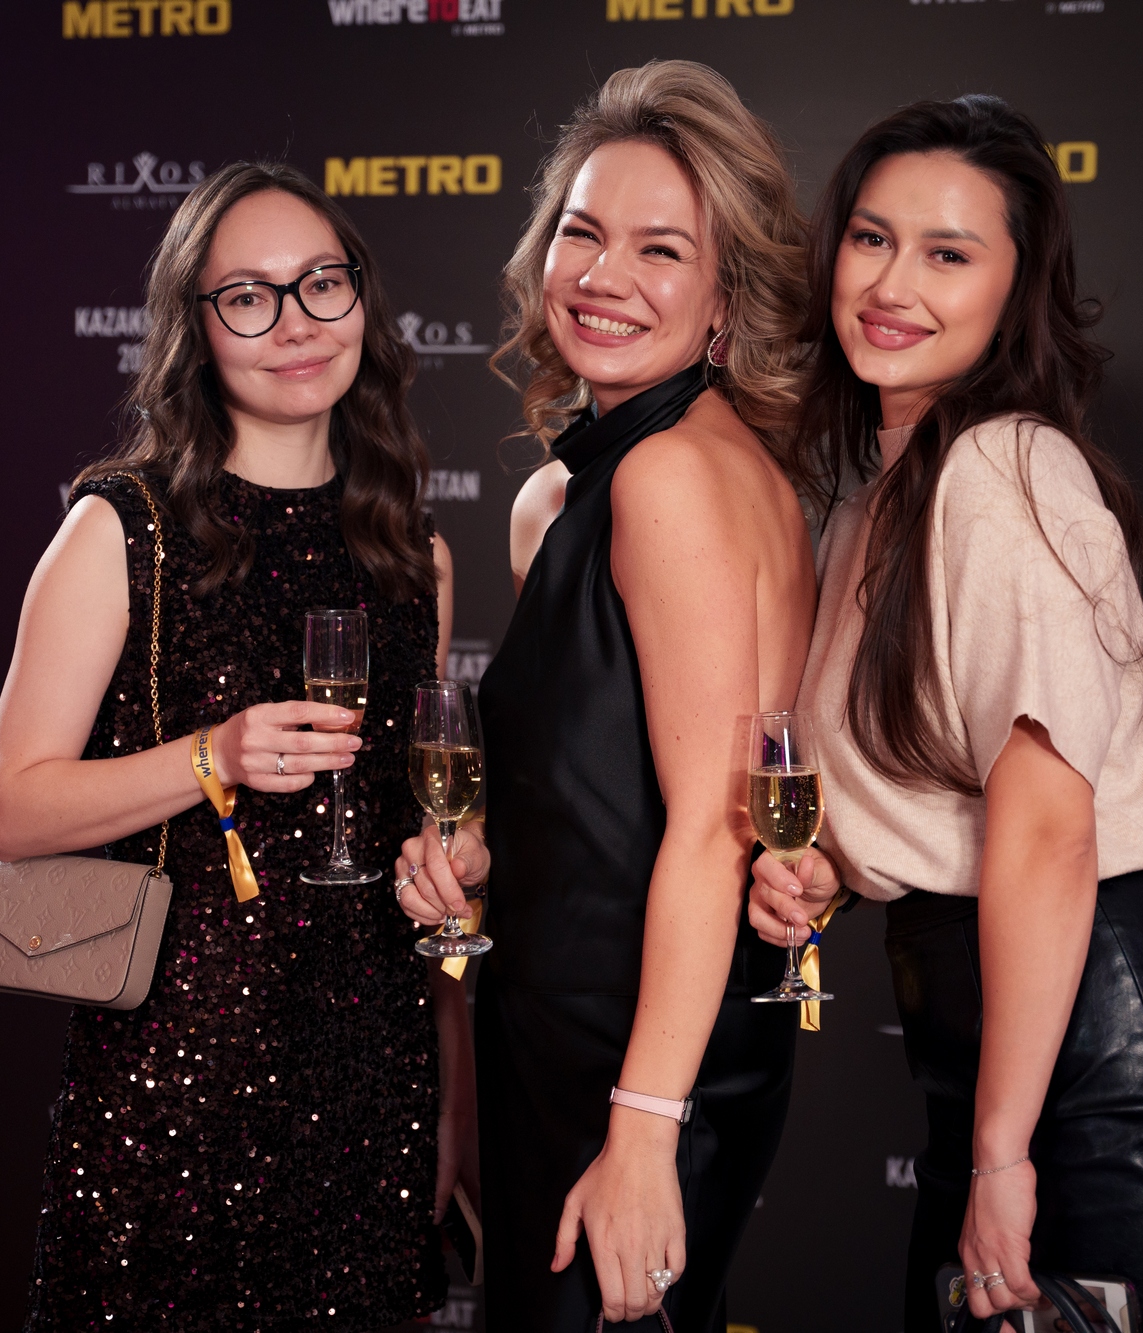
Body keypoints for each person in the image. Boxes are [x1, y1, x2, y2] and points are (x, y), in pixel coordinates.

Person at [747, 98, 1143, 1332]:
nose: (892, 284)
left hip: (1106, 1092)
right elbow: (933, 787)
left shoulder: (1001, 471)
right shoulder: (877, 496)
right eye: (871, 238)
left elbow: (1048, 831)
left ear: (1015, 291)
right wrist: (833, 869)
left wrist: (1003, 1154)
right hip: (1001, 1070)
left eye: (947, 254)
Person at [0, 160, 476, 1333]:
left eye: (321, 284)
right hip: (177, 1094)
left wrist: (454, 1089)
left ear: (362, 299)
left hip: (373, 1085)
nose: (296, 323)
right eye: (249, 296)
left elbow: (431, 860)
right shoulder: (122, 529)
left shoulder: (415, 556)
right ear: (195, 328)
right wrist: (215, 756)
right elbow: (11, 810)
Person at [392, 61, 812, 1333]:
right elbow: (597, 785)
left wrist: (641, 1131)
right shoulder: (585, 487)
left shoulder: (672, 478)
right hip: (570, 1036)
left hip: (630, 1062)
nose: (602, 275)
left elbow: (710, 832)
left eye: (660, 249)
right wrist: (480, 847)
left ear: (725, 299)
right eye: (582, 232)